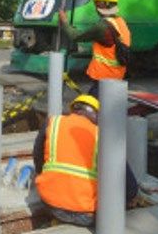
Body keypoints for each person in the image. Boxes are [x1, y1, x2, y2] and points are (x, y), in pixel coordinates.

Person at [32, 94, 138, 227]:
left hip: (50, 202)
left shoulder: (53, 122)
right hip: (86, 212)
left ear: (74, 110)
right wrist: (130, 198)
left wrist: (47, 176)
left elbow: (37, 155)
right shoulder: (102, 135)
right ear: (97, 115)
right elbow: (129, 185)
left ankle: (56, 221)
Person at [59, 0, 131, 97]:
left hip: (104, 78)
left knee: (91, 108)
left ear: (101, 5)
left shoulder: (102, 26)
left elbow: (75, 36)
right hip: (118, 76)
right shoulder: (121, 22)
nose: (95, 7)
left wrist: (64, 22)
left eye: (97, 3)